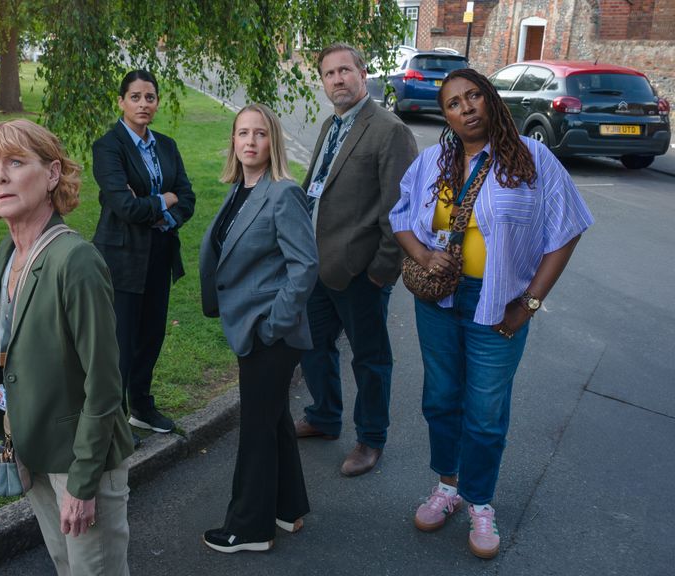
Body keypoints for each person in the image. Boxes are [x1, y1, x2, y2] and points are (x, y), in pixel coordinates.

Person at [390, 68, 593, 559]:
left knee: (484, 413)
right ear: (447, 116)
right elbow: (400, 217)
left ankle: (480, 501)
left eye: (474, 96)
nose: (466, 108)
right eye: (454, 103)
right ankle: (447, 486)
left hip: (498, 303)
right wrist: (422, 255)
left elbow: (566, 231)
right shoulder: (433, 160)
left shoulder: (531, 158)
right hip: (438, 303)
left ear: (490, 99)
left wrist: (530, 303)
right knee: (440, 398)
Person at [0, 119, 135, 575]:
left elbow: (104, 384)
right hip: (34, 448)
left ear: (53, 174)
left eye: (16, 163)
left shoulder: (74, 260)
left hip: (80, 461)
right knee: (66, 566)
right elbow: (20, 347)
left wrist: (82, 483)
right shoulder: (9, 252)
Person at [199, 104, 318, 553]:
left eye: (260, 134)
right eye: (242, 133)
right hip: (254, 327)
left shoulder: (282, 193)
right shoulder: (241, 189)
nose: (250, 142)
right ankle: (288, 508)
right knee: (274, 420)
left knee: (255, 429)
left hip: (271, 332)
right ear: (233, 140)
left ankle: (248, 528)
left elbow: (304, 267)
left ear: (274, 142)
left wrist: (273, 325)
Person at [296, 43, 418, 477]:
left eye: (345, 71)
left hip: (361, 273)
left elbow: (401, 211)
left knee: (370, 358)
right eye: (329, 74)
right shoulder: (332, 124)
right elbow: (318, 187)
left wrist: (380, 273)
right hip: (317, 267)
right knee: (313, 346)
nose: (337, 80)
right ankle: (324, 417)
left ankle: (370, 439)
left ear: (363, 74)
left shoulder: (389, 130)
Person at [91, 69, 196, 437]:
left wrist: (160, 207)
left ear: (157, 102)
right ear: (121, 101)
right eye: (135, 97)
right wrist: (163, 200)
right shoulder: (108, 147)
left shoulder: (166, 146)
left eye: (149, 97)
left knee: (151, 334)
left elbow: (188, 198)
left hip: (159, 254)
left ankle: (141, 405)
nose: (143, 104)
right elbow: (124, 207)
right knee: (120, 341)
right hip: (120, 258)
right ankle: (115, 418)